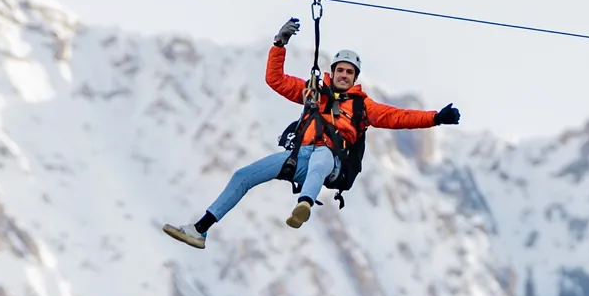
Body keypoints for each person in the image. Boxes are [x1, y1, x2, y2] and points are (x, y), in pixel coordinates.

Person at [163, 18, 461, 249]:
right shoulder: (314, 92)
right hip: (298, 157)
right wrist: (280, 44)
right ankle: (199, 229)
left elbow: (398, 117)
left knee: (321, 156)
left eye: (349, 73)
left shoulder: (362, 107)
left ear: (355, 78)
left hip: (331, 163)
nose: (344, 76)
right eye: (340, 71)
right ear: (333, 72)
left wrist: (435, 118)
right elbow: (276, 80)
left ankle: (304, 204)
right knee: (243, 175)